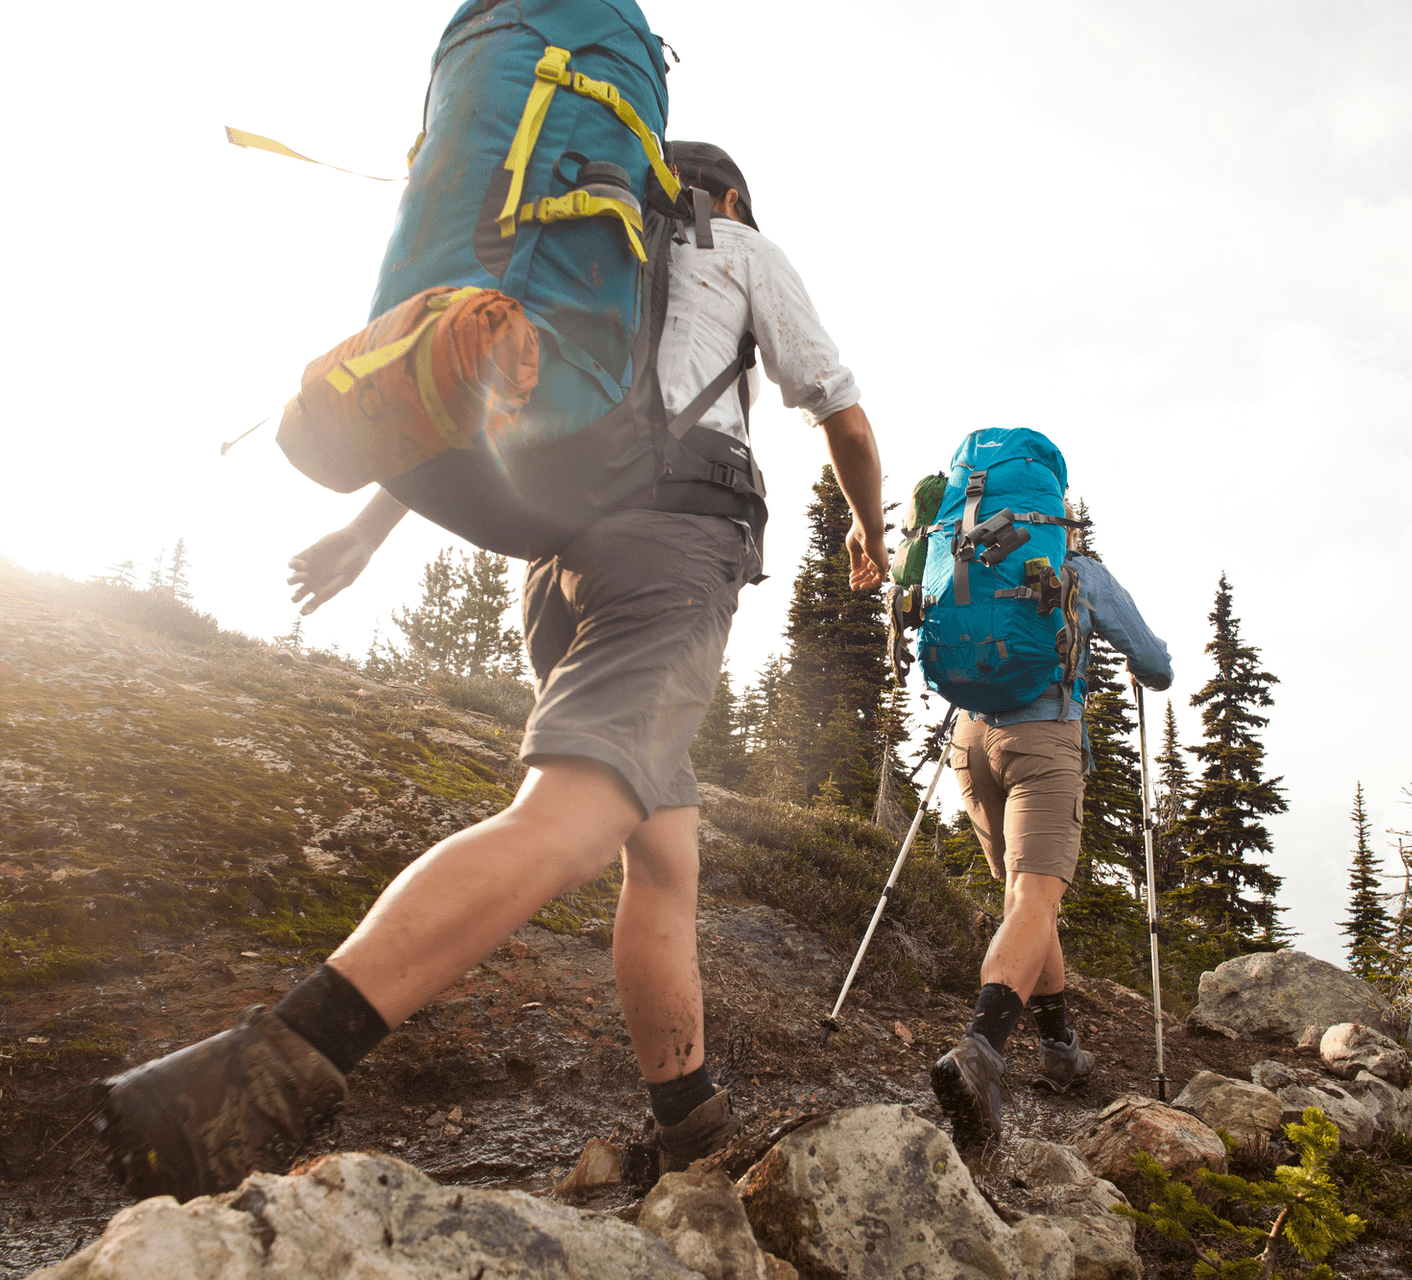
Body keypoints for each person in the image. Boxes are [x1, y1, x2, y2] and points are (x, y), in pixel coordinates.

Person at [99, 142, 887, 1200]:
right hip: (673, 552)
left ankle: (691, 1129)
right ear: (729, 195)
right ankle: (257, 1073)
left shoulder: (581, 252)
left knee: (662, 860)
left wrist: (367, 535)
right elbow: (841, 412)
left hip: (559, 564)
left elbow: (478, 396)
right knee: (568, 816)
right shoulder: (737, 245)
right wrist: (868, 534)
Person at [929, 526, 1171, 1143]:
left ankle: (1061, 1048)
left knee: (1024, 901)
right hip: (1041, 736)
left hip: (969, 740)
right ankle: (981, 1050)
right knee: (1033, 901)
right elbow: (1155, 665)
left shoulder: (963, 560)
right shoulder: (1077, 570)